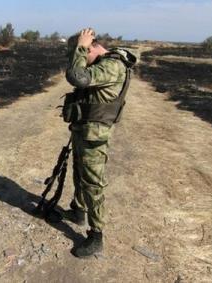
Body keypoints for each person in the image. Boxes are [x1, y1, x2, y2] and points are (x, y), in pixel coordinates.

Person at [62, 28, 136, 257]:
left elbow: (77, 76)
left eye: (84, 52)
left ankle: (96, 235)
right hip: (84, 130)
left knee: (93, 184)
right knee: (79, 173)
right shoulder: (104, 63)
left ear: (93, 46)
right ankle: (79, 211)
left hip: (94, 136)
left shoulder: (112, 66)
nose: (82, 59)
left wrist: (81, 46)